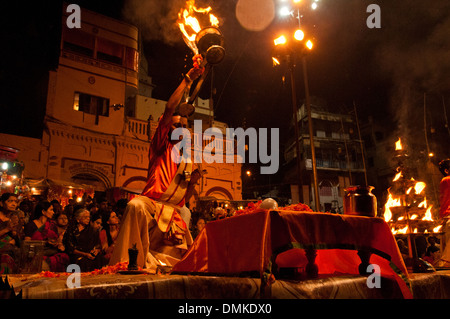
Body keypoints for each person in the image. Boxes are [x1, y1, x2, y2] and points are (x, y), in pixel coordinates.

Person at [109, 55, 205, 271]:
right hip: (151, 204)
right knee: (134, 205)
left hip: (173, 209)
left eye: (184, 125)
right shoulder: (161, 145)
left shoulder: (190, 160)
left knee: (187, 215)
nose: (178, 127)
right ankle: (127, 262)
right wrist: (188, 79)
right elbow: (170, 109)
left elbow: (186, 196)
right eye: (174, 124)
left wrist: (191, 185)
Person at [23, 201, 69, 272]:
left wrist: (58, 243)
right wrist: (45, 242)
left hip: (51, 251)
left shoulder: (52, 225)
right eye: (51, 210)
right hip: (37, 253)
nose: (53, 212)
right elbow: (27, 243)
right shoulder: (31, 225)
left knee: (64, 257)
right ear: (43, 211)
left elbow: (55, 239)